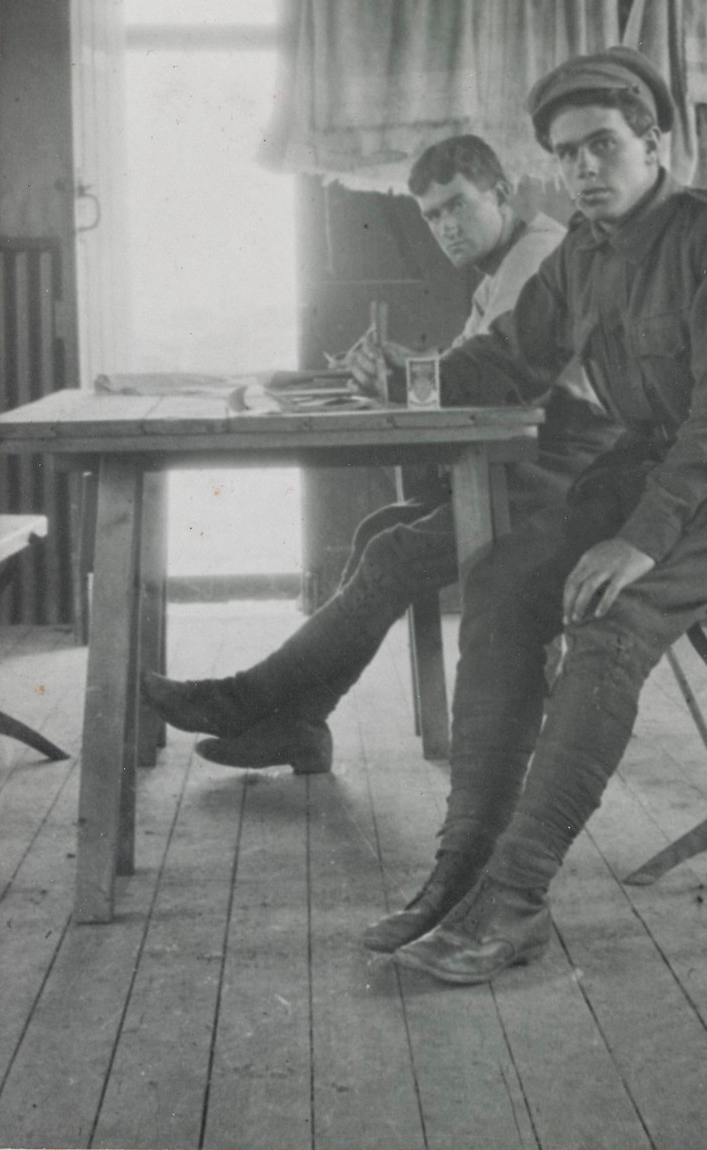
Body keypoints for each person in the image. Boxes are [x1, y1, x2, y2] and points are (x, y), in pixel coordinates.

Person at [352, 48, 707, 983]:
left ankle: (515, 897)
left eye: (602, 145)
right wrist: (409, 377)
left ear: (655, 144)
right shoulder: (583, 251)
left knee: (612, 622)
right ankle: (460, 870)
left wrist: (640, 539)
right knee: (499, 579)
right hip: (657, 474)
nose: (583, 168)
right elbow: (505, 363)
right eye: (565, 153)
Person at [143, 135, 619, 773]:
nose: (445, 227)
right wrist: (403, 369)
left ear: (502, 194)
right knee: (380, 530)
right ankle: (302, 722)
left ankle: (244, 699)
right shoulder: (502, 270)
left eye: (457, 206)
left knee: (393, 551)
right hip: (533, 460)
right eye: (432, 215)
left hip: (578, 472)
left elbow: (501, 375)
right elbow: (471, 373)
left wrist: (406, 378)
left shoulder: (539, 254)